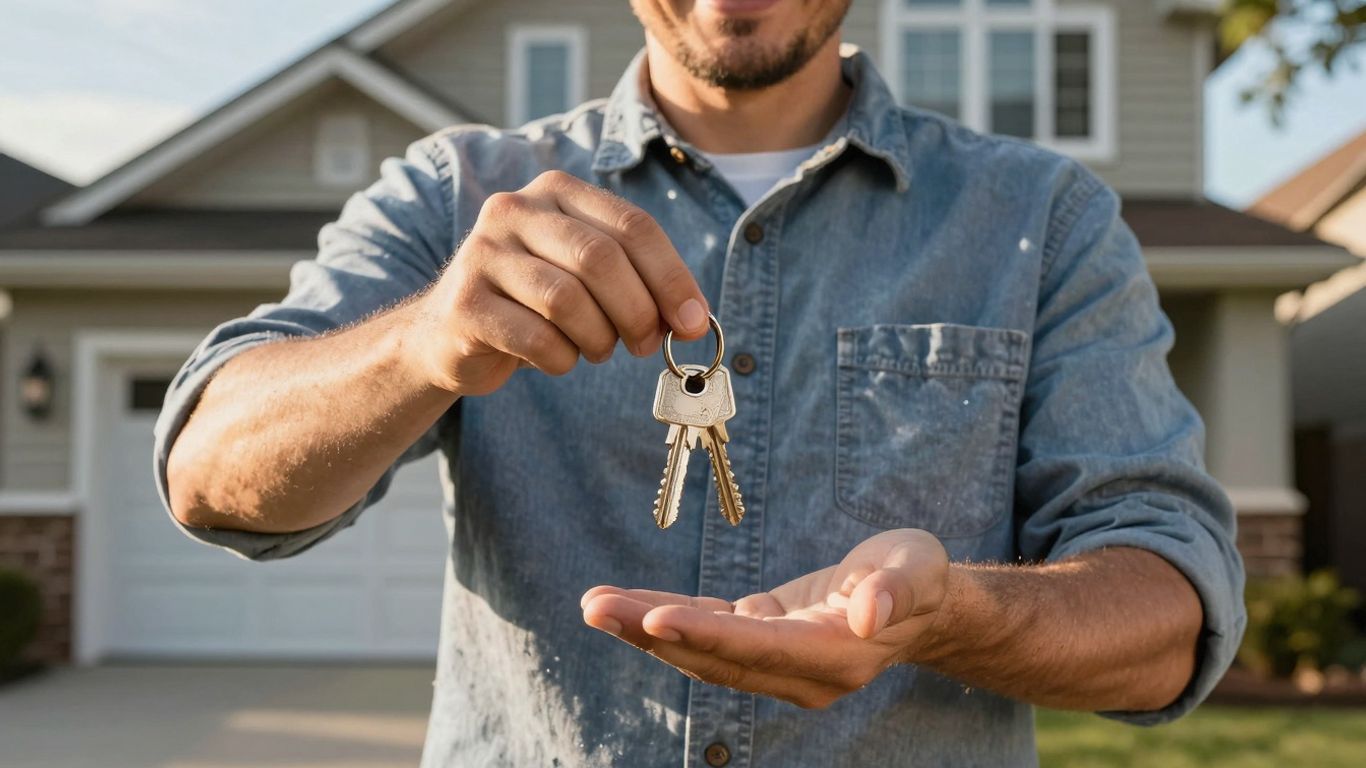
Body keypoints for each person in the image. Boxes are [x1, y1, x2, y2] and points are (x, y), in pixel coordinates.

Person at [155, 1, 1246, 765]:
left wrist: (950, 613)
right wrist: (418, 343)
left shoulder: (1039, 218)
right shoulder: (458, 196)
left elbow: (1166, 613)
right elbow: (209, 471)